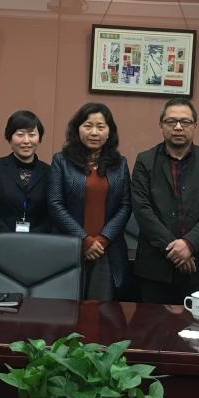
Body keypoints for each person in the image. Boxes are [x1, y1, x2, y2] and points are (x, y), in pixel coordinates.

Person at [131, 97, 199, 305]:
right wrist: (177, 251)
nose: (177, 127)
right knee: (150, 324)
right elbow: (142, 209)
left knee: (198, 324)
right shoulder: (145, 161)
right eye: (171, 121)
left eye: (185, 122)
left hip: (198, 264)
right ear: (161, 125)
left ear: (195, 126)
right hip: (154, 267)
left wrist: (189, 244)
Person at [47, 103, 132, 300]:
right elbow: (55, 204)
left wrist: (101, 240)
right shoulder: (61, 161)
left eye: (100, 127)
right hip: (70, 246)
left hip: (106, 250)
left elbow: (125, 205)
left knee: (101, 310)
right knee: (65, 308)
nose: (94, 132)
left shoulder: (120, 164)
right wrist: (84, 240)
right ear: (77, 129)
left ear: (109, 132)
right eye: (88, 126)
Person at [0, 110, 51, 235]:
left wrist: (33, 238)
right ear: (10, 138)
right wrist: (10, 238)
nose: (26, 141)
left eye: (32, 135)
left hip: (37, 241)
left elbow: (52, 213)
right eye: (20, 134)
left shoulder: (50, 172)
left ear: (39, 138)